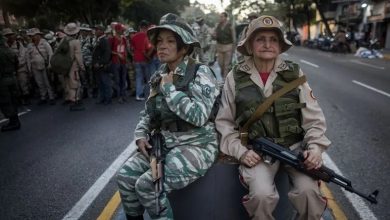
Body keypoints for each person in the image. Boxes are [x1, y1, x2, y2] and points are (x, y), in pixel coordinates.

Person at [215, 15, 330, 220]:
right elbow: (225, 122)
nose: (267, 44)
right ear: (250, 44)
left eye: (273, 39)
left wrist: (315, 149)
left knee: (309, 194)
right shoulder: (236, 75)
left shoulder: (293, 74)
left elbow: (313, 119)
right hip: (256, 152)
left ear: (280, 45)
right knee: (261, 196)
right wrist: (241, 152)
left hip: (294, 149)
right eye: (260, 39)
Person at [116, 13, 220, 220]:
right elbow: (149, 111)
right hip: (164, 143)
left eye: (170, 41)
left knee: (148, 185)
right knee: (125, 177)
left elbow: (199, 116)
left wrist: (171, 89)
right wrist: (140, 135)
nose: (161, 46)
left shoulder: (201, 73)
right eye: (159, 41)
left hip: (197, 145)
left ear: (184, 47)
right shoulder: (159, 75)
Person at [26, 28, 55, 105]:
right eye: (31, 36)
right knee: (40, 83)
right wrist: (29, 69)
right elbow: (28, 58)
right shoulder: (29, 46)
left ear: (38, 35)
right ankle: (43, 97)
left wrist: (50, 64)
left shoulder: (44, 43)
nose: (32, 37)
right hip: (35, 66)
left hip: (44, 65)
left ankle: (51, 96)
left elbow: (50, 53)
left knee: (47, 82)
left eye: (34, 35)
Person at [0, 32, 21, 132]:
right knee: (13, 99)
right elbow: (17, 63)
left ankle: (13, 122)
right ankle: (15, 120)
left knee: (6, 101)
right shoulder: (9, 50)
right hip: (12, 78)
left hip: (3, 80)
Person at [62, 23, 85, 111]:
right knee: (75, 84)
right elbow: (78, 56)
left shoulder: (64, 40)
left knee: (69, 84)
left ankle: (73, 101)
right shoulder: (76, 42)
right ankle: (75, 102)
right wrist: (82, 67)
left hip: (65, 66)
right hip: (73, 66)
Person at [131, 20, 152, 101]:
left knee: (139, 78)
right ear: (147, 27)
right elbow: (149, 48)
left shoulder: (134, 37)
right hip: (145, 59)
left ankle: (138, 95)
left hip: (137, 59)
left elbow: (131, 49)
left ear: (139, 27)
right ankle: (148, 94)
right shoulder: (148, 36)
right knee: (148, 78)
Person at [92, 25, 112, 105]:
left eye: (97, 30)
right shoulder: (98, 40)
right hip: (97, 66)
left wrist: (100, 63)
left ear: (101, 31)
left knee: (105, 82)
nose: (95, 31)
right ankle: (102, 98)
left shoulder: (104, 40)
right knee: (100, 83)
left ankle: (108, 98)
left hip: (102, 66)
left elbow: (107, 54)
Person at [213, 11, 235, 78]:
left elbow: (233, 38)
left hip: (228, 46)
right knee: (220, 64)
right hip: (219, 46)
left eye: (222, 17)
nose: (220, 18)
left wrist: (233, 49)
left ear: (225, 18)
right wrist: (213, 35)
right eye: (220, 17)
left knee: (226, 65)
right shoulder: (217, 25)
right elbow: (215, 35)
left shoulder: (230, 26)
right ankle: (223, 76)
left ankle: (225, 80)